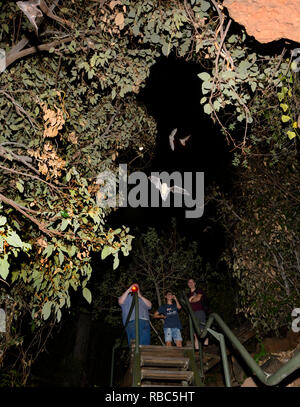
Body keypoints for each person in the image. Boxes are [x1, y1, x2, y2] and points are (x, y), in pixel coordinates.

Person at [187, 278, 208, 348]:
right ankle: (197, 346)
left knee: (202, 328)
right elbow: (187, 303)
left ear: (195, 283)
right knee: (195, 331)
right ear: (188, 284)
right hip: (192, 313)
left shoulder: (199, 290)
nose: (191, 283)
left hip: (200, 311)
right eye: (189, 282)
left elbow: (198, 298)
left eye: (192, 282)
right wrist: (191, 299)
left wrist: (191, 300)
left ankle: (206, 338)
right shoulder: (188, 294)